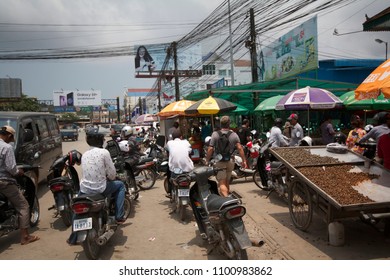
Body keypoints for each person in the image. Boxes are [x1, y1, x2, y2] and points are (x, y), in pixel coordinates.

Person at [0, 125, 40, 245]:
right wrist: (19, 172)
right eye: (11, 138)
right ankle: (25, 237)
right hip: (4, 182)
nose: (11, 141)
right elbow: (12, 168)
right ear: (9, 136)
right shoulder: (6, 147)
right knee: (23, 206)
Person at [80, 128, 126, 224]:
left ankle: (74, 235)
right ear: (100, 140)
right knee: (121, 185)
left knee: (77, 204)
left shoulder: (84, 154)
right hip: (100, 188)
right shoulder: (104, 152)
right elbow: (112, 174)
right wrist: (110, 177)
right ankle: (119, 216)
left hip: (84, 189)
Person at [205, 116, 247, 197]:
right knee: (227, 181)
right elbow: (240, 148)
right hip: (230, 161)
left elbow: (210, 148)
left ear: (220, 124)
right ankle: (228, 198)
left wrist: (207, 160)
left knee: (221, 182)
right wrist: (244, 160)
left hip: (219, 161)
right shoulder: (234, 135)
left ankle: (227, 201)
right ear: (229, 124)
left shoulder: (215, 134)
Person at [165, 130, 194, 197]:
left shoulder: (170, 143)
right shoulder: (186, 142)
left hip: (175, 170)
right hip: (187, 169)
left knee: (171, 175)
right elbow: (191, 151)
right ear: (181, 137)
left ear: (172, 138)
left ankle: (171, 193)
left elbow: (166, 149)